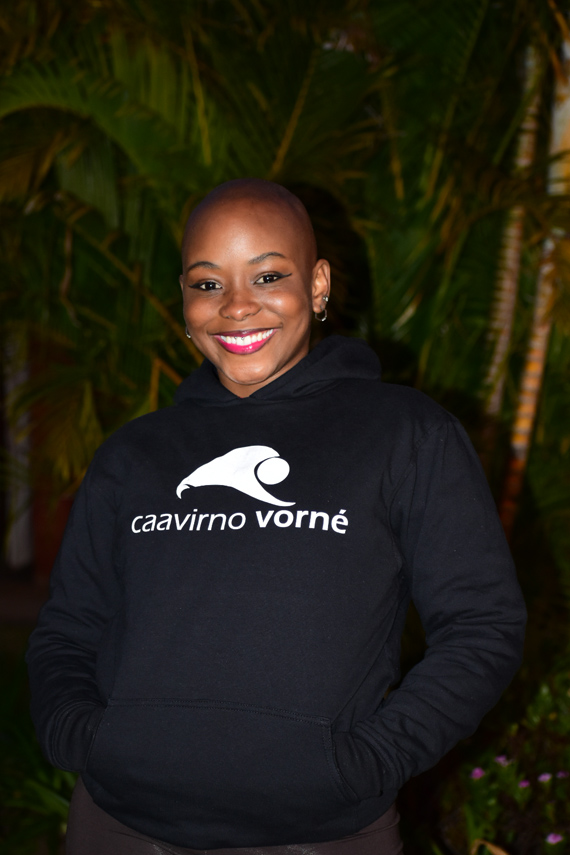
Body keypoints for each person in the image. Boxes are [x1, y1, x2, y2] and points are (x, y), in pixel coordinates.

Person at [27, 179, 527, 855]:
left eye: (268, 276)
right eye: (208, 284)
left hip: (321, 834)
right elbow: (69, 626)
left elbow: (482, 624)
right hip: (120, 826)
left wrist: (368, 762)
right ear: (184, 299)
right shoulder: (133, 454)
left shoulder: (405, 434)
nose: (236, 306)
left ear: (318, 286)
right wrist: (87, 737)